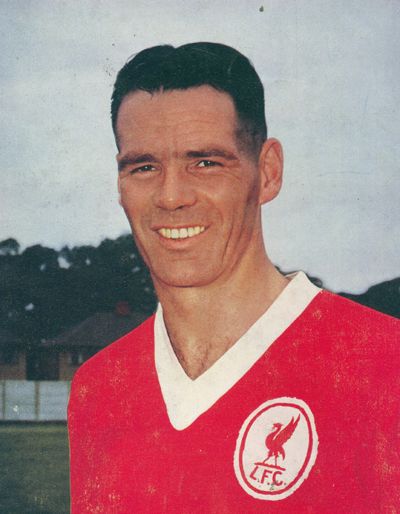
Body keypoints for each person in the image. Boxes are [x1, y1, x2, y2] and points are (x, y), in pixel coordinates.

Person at [68, 43, 399, 513]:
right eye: (144, 167)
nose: (171, 196)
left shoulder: (382, 364)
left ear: (268, 172)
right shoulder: (99, 388)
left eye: (206, 163)